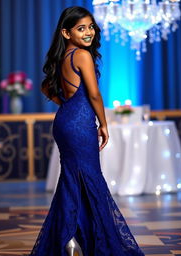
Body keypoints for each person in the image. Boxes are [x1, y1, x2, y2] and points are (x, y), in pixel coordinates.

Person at [30, 6, 144, 256]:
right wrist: (103, 123)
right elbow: (93, 93)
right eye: (81, 28)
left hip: (65, 122)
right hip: (80, 125)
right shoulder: (81, 55)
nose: (89, 32)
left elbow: (46, 87)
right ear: (66, 32)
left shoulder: (61, 57)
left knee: (72, 180)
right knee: (90, 180)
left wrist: (69, 106)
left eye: (91, 26)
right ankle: (80, 238)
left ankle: (70, 238)